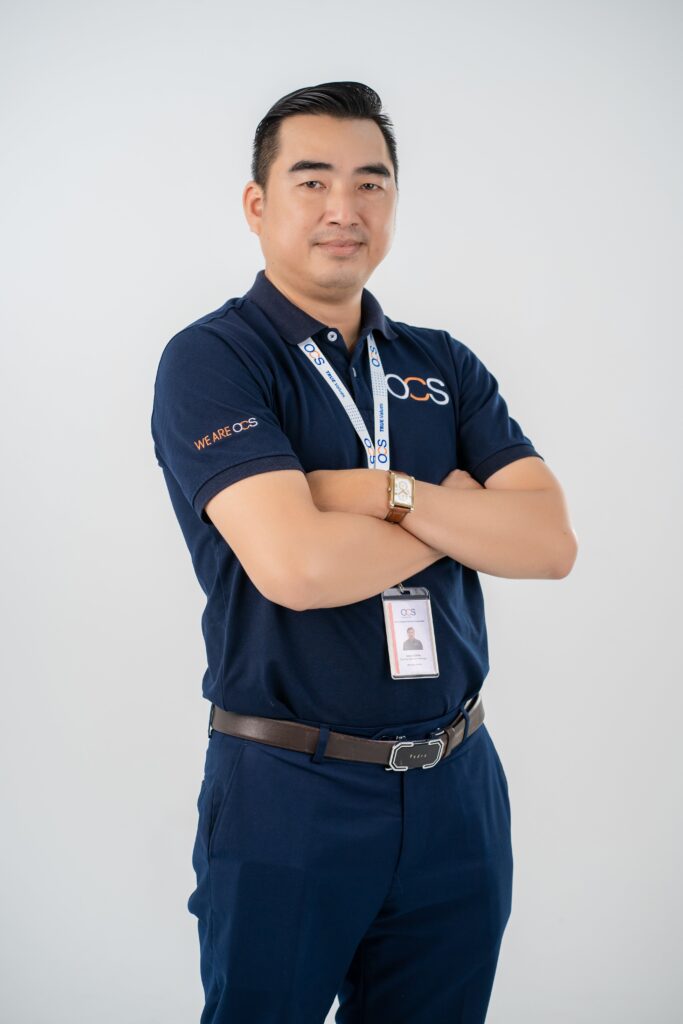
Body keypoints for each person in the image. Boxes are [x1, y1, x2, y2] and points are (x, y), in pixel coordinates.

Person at [150, 80, 577, 1024]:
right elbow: (295, 569)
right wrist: (455, 512)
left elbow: (547, 544)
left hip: (458, 790)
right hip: (289, 791)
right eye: (312, 181)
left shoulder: (441, 364)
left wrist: (381, 495)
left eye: (371, 183)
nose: (345, 209)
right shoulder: (213, 359)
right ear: (258, 205)